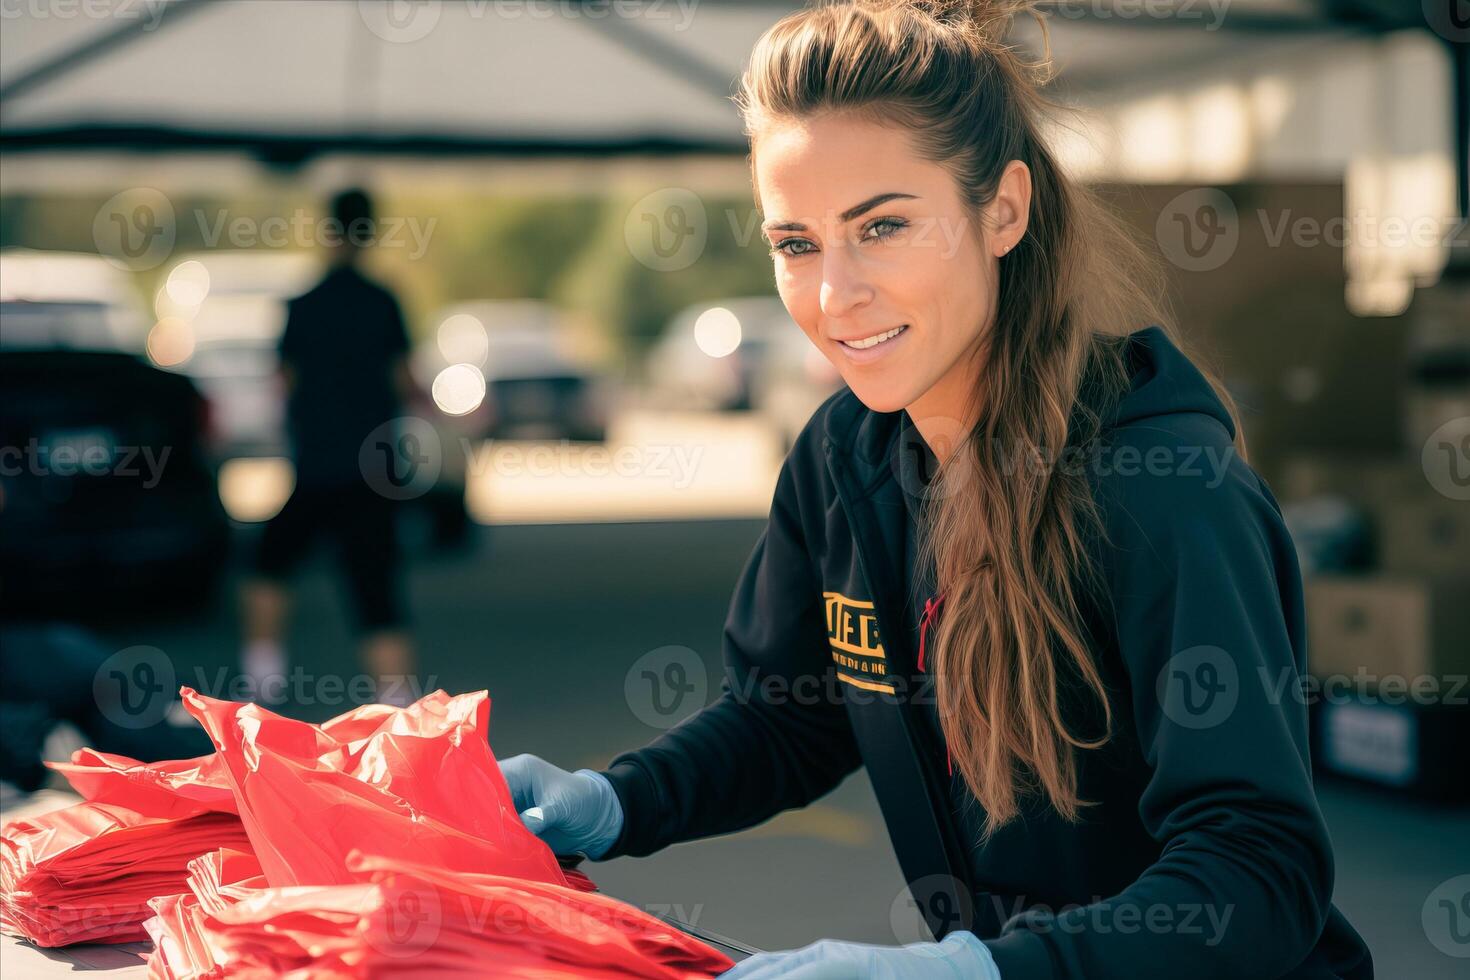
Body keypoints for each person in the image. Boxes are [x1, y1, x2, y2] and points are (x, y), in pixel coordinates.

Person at [504, 1, 1374, 977]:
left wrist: (973, 968)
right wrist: (615, 800)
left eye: (882, 225)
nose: (836, 294)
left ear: (1002, 209)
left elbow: (1259, 868)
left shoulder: (1164, 492)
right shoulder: (843, 458)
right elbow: (792, 711)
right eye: (796, 242)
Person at [239, 187, 420, 708]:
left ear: (327, 231)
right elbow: (406, 379)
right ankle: (400, 707)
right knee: (377, 589)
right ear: (371, 233)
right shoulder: (384, 303)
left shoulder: (303, 306)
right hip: (374, 472)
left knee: (268, 565)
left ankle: (262, 679)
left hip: (316, 468)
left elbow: (284, 382)